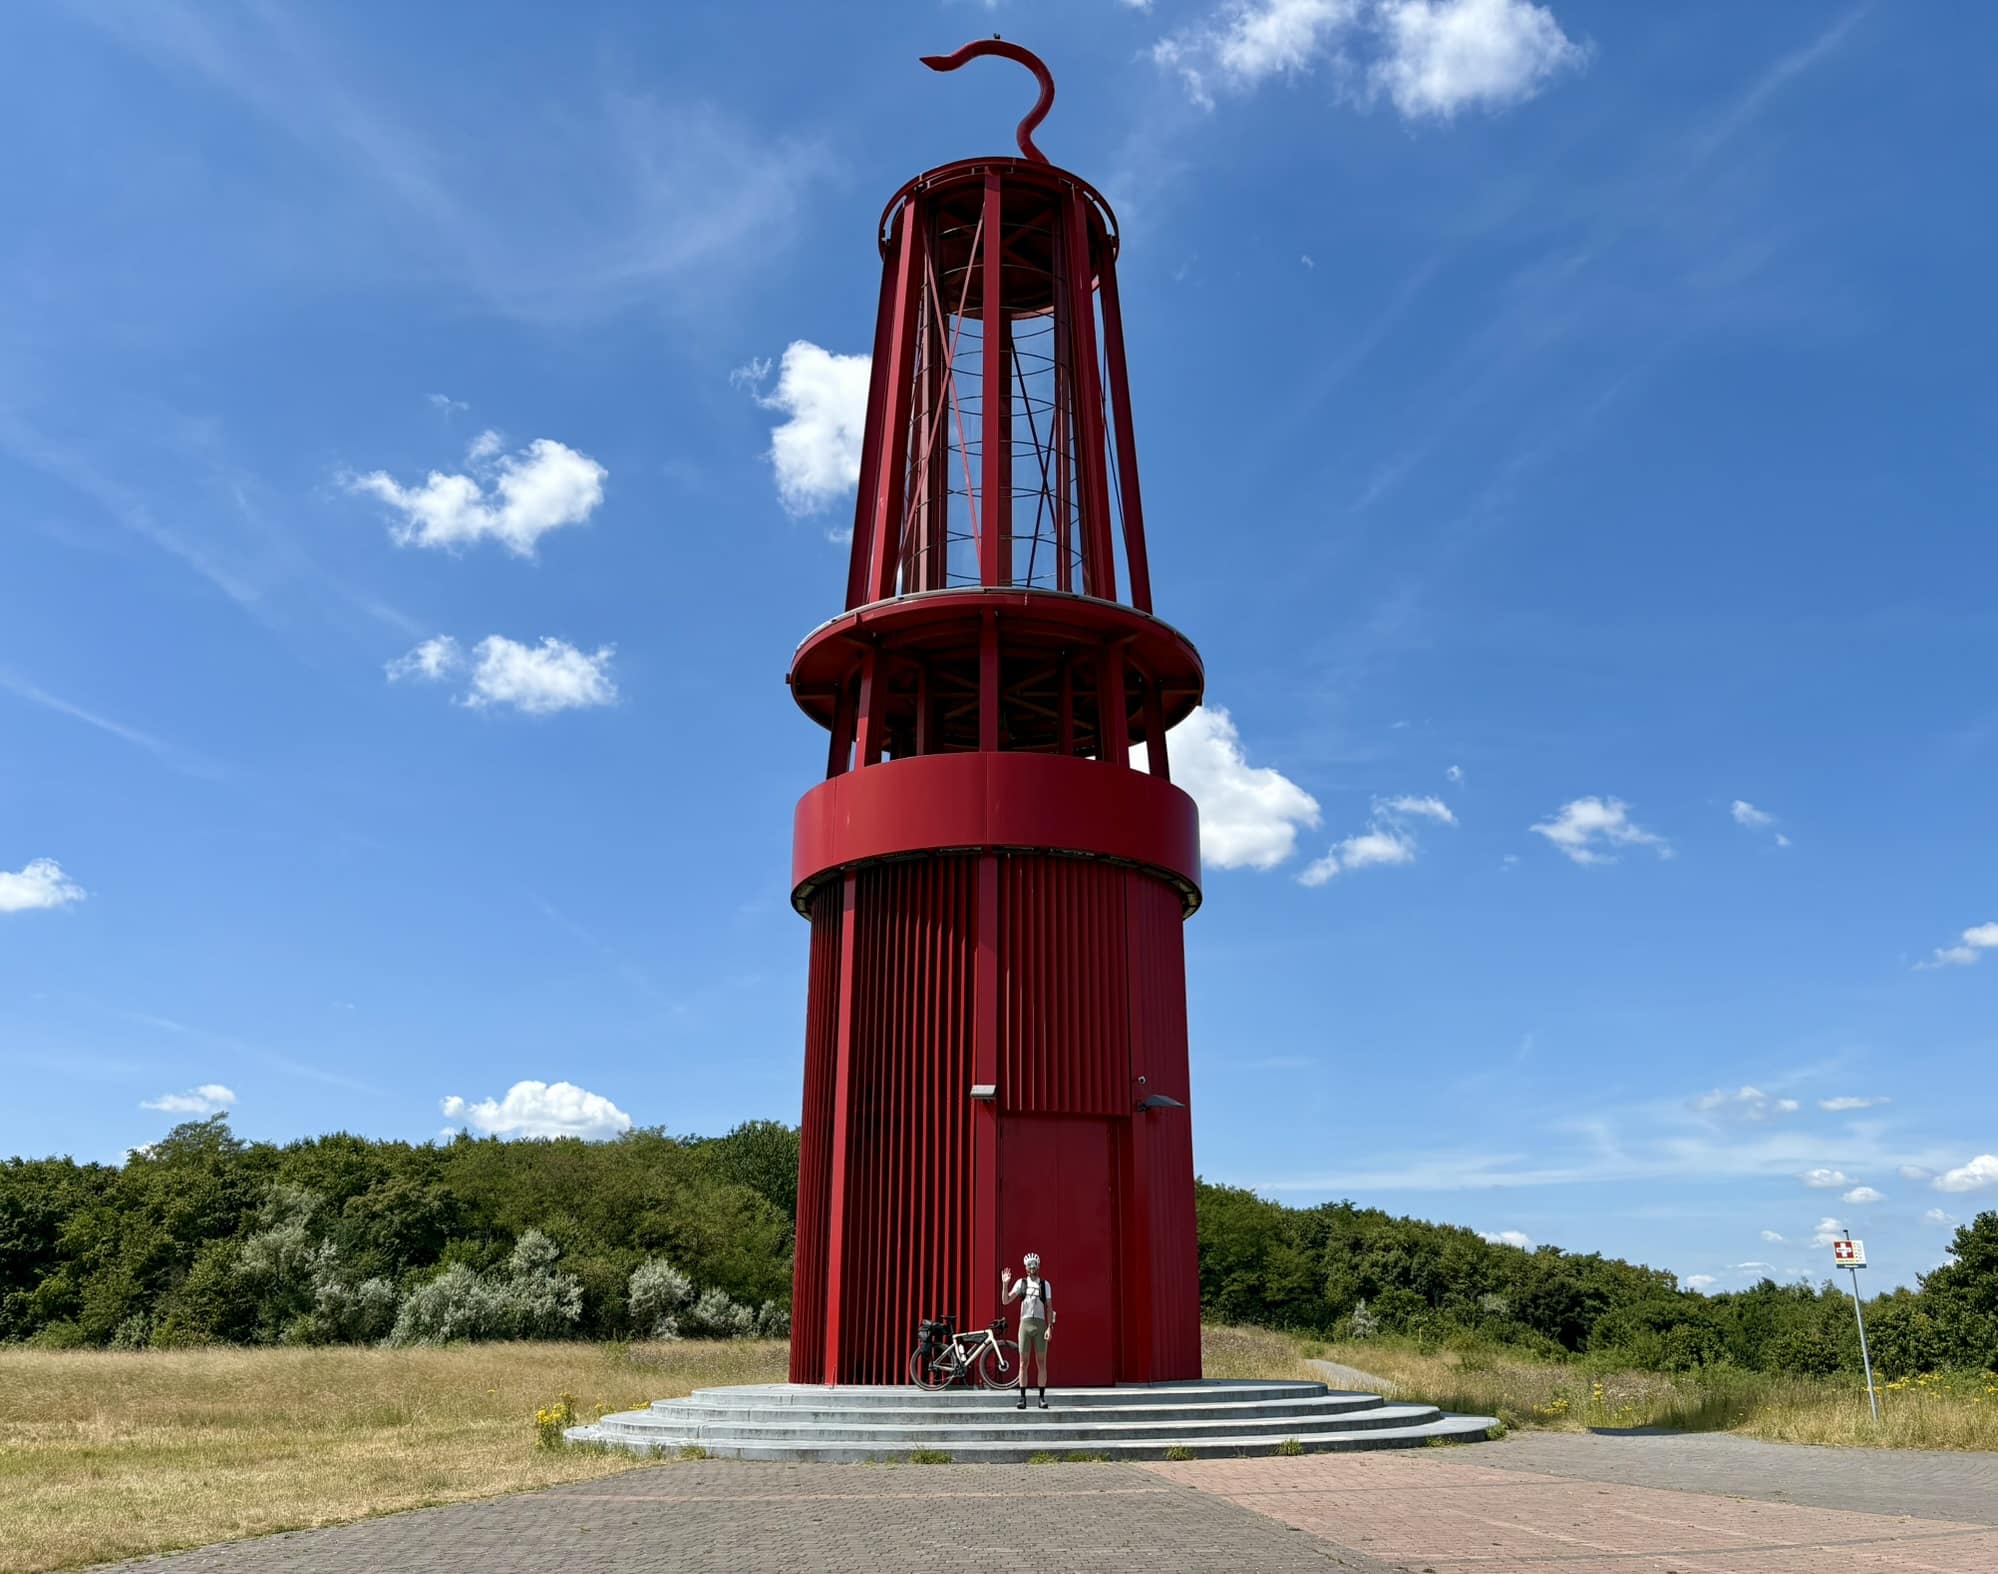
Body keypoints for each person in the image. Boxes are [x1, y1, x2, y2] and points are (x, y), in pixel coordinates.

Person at [999, 1253, 1055, 1409]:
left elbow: (1049, 1307)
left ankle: (1041, 1398)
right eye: (1029, 1265)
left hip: (1040, 1324)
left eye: (1034, 1265)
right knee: (1023, 1362)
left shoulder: (1045, 1285)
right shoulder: (1021, 1283)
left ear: (1038, 1266)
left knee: (1041, 1362)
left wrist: (1049, 1327)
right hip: (1025, 1324)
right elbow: (1005, 1300)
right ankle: (1022, 1397)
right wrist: (1005, 1284)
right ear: (1025, 1268)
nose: (1032, 1268)